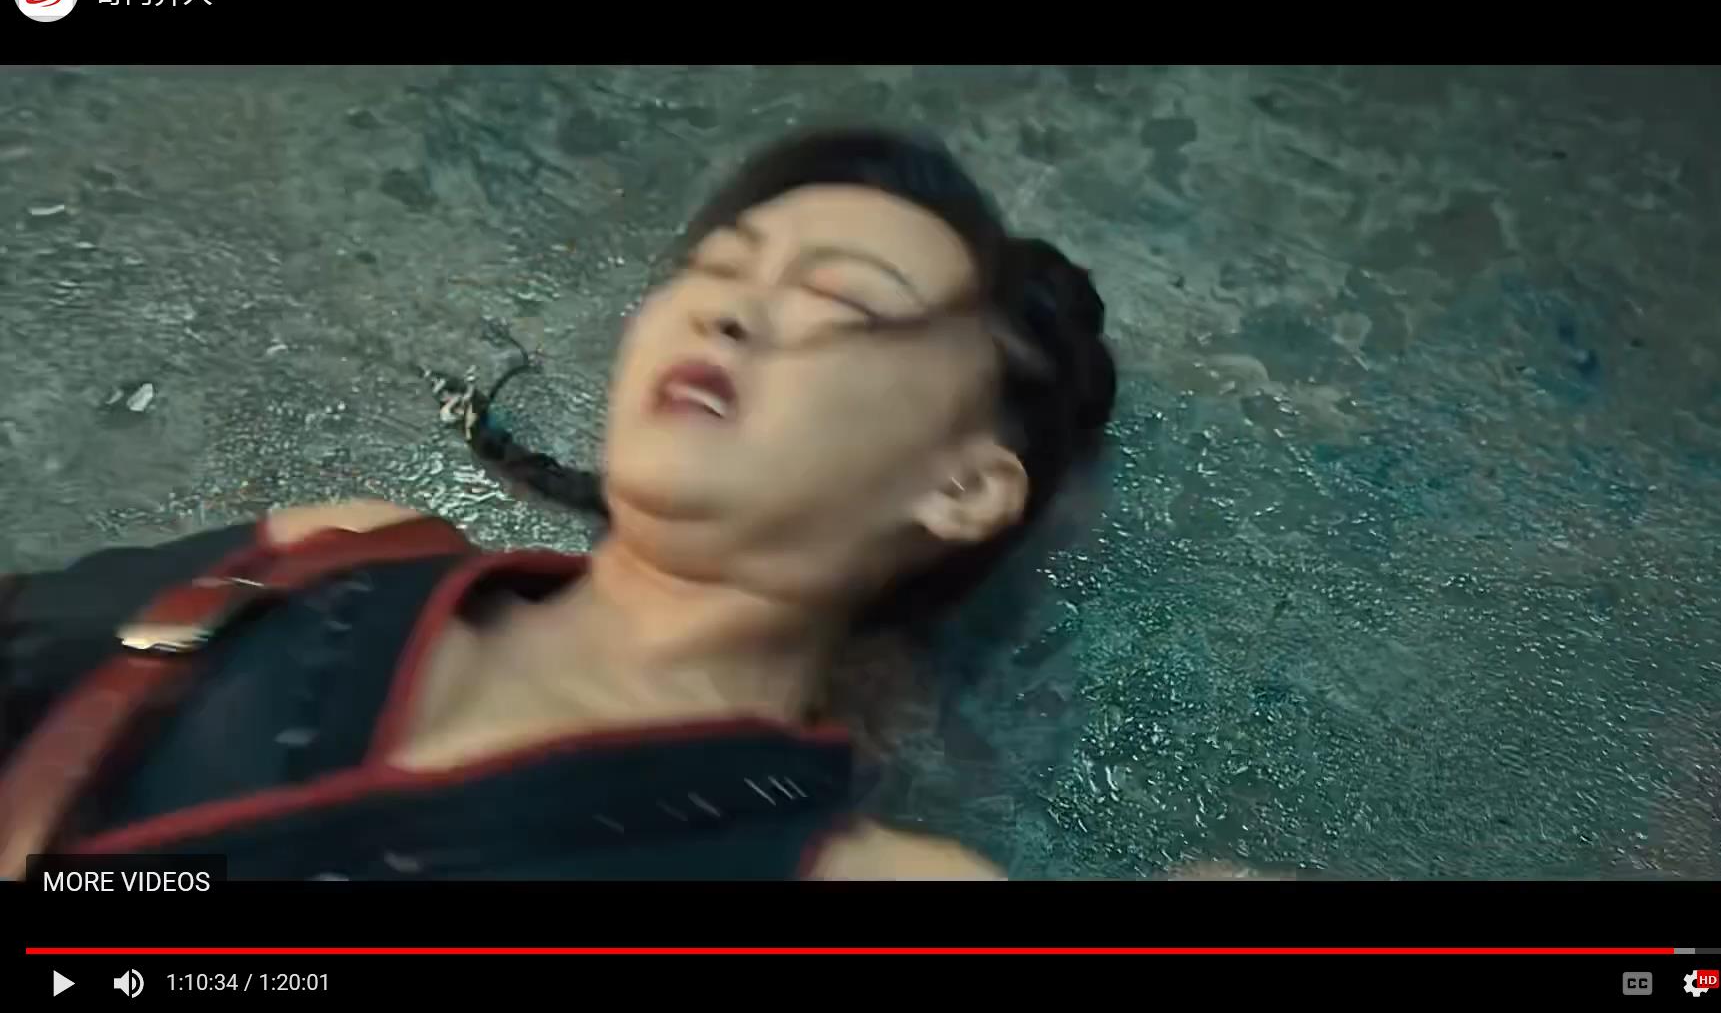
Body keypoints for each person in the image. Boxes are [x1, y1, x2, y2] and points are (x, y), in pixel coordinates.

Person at [0, 127, 1117, 880]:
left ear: (963, 487)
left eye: (850, 303)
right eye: (717, 266)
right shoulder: (334, 551)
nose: (728, 311)